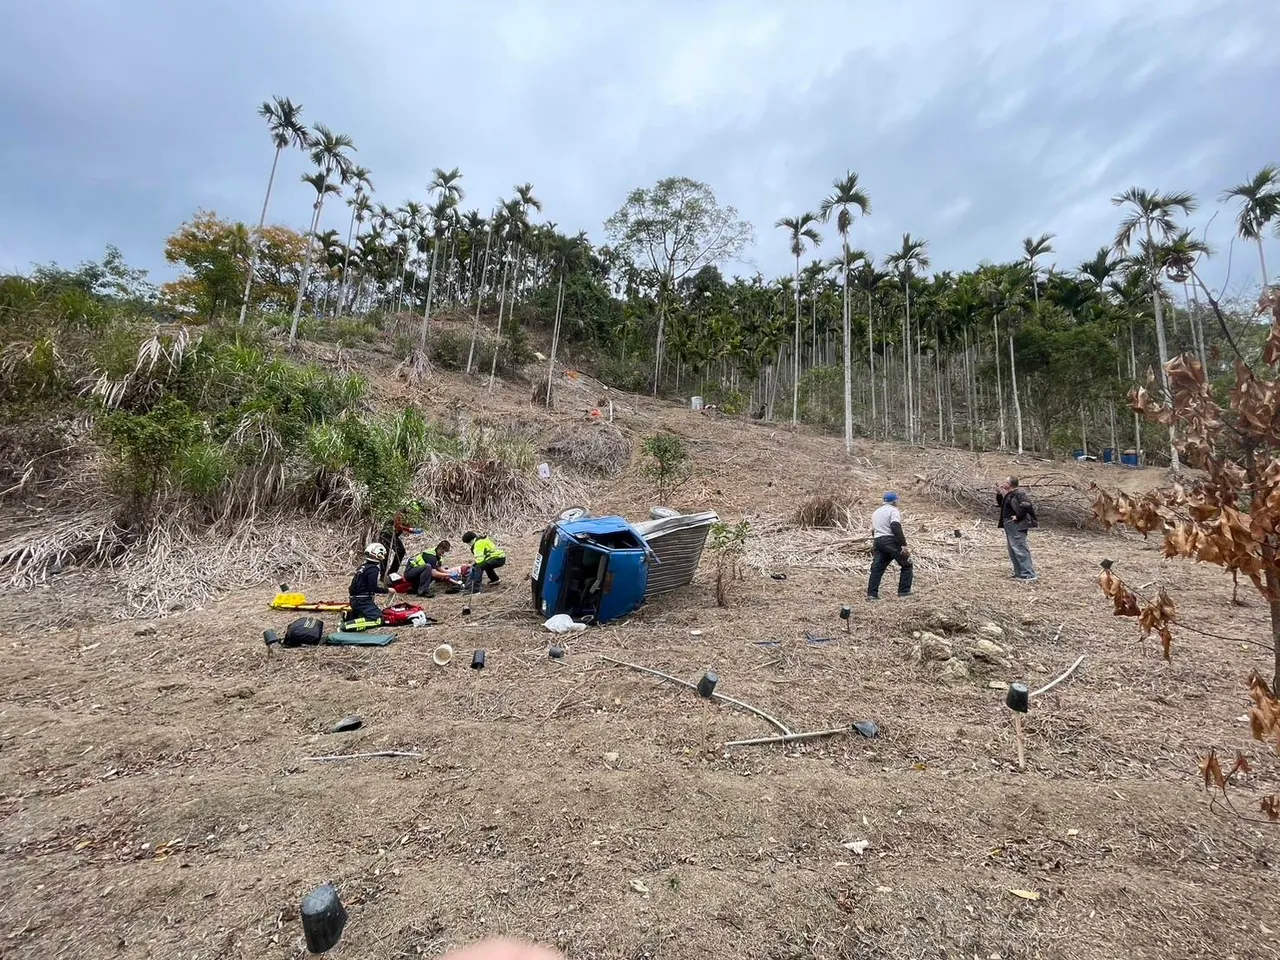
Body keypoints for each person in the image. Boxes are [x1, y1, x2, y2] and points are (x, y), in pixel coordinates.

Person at [867, 491, 913, 601]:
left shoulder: (876, 512)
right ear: (894, 501)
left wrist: (879, 541)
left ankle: (872, 594)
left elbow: (873, 530)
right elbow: (895, 526)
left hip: (878, 540)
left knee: (877, 569)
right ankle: (904, 591)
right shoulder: (893, 511)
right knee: (907, 564)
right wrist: (903, 544)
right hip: (891, 540)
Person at [998, 476, 1038, 581]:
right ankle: (1019, 573)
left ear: (1011, 484)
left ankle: (1028, 574)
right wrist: (1000, 493)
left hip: (1017, 524)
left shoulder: (1019, 493)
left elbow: (1026, 505)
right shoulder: (1009, 495)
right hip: (1009, 524)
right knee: (1013, 549)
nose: (1003, 483)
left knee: (1020, 548)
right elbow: (1001, 505)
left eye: (1005, 482)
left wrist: (1018, 516)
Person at [346, 542, 390, 629]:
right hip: (362, 601)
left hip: (354, 600)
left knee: (368, 613)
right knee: (379, 618)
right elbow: (373, 588)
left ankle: (352, 615)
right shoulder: (373, 569)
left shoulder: (362, 567)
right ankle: (348, 625)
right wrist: (387, 590)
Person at [378, 503, 424, 581]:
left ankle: (391, 573)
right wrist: (410, 530)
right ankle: (384, 575)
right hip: (387, 534)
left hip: (393, 535)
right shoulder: (398, 514)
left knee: (400, 551)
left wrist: (413, 530)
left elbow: (405, 526)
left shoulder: (405, 517)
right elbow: (398, 526)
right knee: (386, 554)